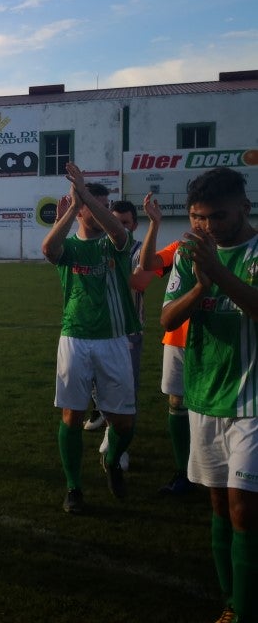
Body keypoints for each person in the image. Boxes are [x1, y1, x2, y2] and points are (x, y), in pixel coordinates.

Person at [159, 167, 258, 623]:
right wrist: (202, 284)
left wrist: (218, 272)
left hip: (252, 400)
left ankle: (244, 608)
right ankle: (231, 601)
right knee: (219, 503)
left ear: (245, 207)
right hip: (204, 396)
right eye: (198, 217)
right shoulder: (187, 255)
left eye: (218, 216)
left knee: (244, 507)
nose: (207, 226)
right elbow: (166, 319)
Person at [41, 163, 140, 513]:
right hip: (75, 338)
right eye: (92, 204)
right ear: (78, 208)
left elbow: (118, 232)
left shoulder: (116, 243)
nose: (103, 210)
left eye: (104, 204)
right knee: (71, 415)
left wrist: (84, 194)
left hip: (114, 338)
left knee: (123, 422)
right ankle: (74, 488)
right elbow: (48, 249)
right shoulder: (69, 247)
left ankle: (112, 461)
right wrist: (70, 208)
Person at [88, 196, 162, 469]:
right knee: (96, 384)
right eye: (115, 222)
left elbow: (141, 280)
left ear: (134, 225)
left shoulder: (140, 249)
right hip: (96, 329)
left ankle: (119, 444)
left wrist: (98, 272)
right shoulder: (97, 247)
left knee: (125, 389)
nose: (120, 227)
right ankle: (109, 425)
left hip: (128, 331)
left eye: (126, 223)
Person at [153, 239, 193, 495]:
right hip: (177, 337)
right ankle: (182, 471)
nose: (201, 223)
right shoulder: (182, 247)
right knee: (177, 402)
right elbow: (149, 265)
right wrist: (154, 224)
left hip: (219, 340)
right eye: (195, 216)